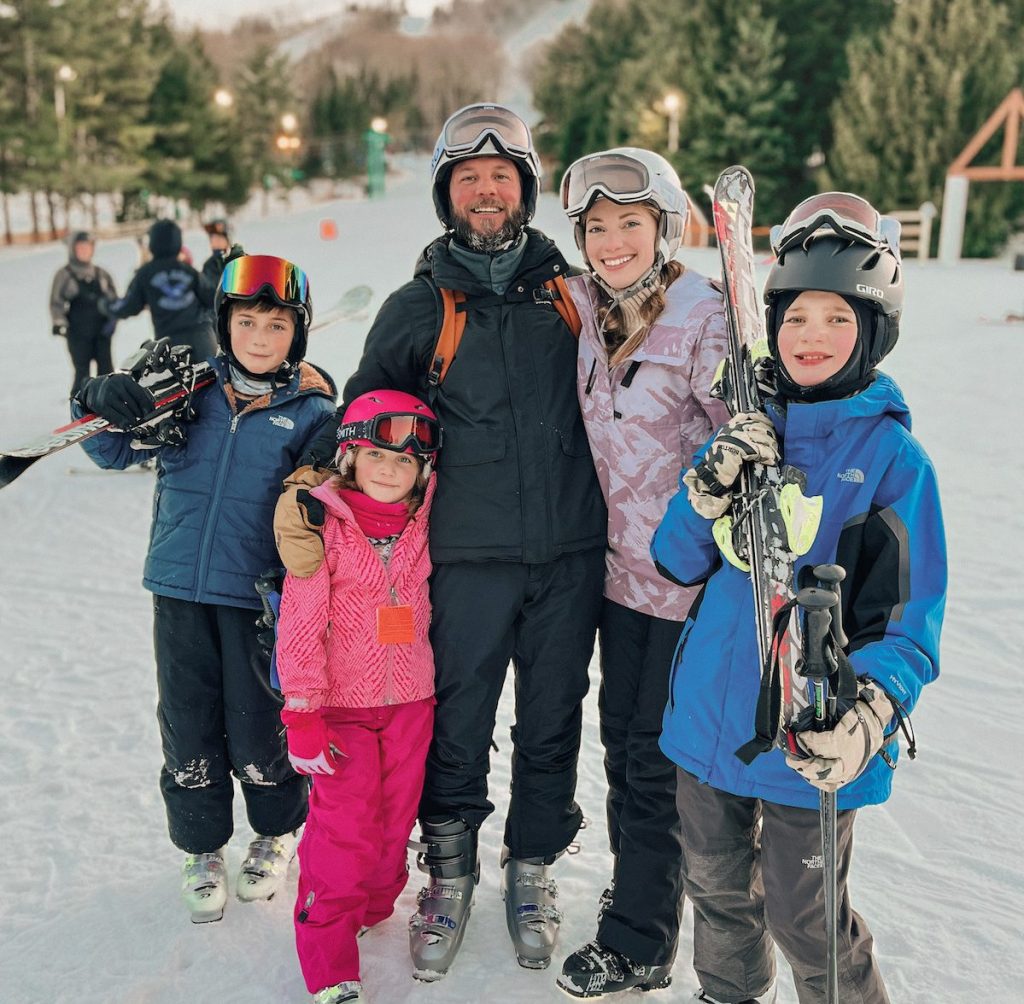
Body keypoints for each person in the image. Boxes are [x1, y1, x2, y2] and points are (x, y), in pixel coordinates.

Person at [274, 103, 607, 978]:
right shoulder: (418, 306)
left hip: (572, 550)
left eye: (502, 177)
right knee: (457, 721)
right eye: (470, 179)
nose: (487, 191)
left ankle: (531, 865)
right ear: (447, 195)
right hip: (461, 559)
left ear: (525, 190)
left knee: (551, 721)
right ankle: (450, 870)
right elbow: (363, 411)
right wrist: (308, 484)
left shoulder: (573, 294)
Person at [651, 193, 946, 1004]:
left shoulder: (893, 460)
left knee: (806, 918)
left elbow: (910, 623)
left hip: (812, 732)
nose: (811, 338)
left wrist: (870, 715)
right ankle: (730, 994)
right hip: (709, 722)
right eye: (797, 319)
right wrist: (707, 487)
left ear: (873, 332)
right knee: (715, 893)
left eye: (837, 321)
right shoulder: (742, 432)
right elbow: (673, 562)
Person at [70, 253, 338, 923]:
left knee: (257, 732)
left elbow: (326, 506)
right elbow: (108, 450)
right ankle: (200, 847)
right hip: (179, 590)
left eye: (276, 327)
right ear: (223, 325)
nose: (258, 339)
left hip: (257, 601)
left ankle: (275, 832)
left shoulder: (308, 412)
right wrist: (102, 397)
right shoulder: (185, 390)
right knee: (187, 725)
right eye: (246, 322)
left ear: (296, 336)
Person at [552, 149, 730, 998]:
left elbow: (743, 441)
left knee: (657, 763)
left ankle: (641, 940)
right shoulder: (587, 308)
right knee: (622, 750)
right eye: (596, 226)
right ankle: (642, 896)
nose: (612, 240)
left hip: (688, 587)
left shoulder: (705, 315)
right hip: (618, 581)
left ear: (665, 228)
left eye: (630, 222)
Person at [275, 390, 441, 1004]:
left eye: (405, 462)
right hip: (340, 706)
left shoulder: (423, 521)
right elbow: (299, 626)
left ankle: (372, 905)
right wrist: (302, 711)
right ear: (348, 457)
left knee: (395, 818)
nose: (390, 470)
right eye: (375, 455)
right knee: (344, 831)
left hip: (410, 703)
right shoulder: (323, 527)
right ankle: (329, 958)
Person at [103, 218, 220, 359]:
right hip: (202, 339)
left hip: (171, 345)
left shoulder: (145, 274)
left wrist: (106, 305)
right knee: (210, 379)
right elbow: (212, 298)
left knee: (180, 381)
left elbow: (128, 306)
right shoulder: (189, 271)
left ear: (153, 243)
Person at [49, 230, 119, 396]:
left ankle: (109, 404)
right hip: (78, 334)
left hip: (102, 332)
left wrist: (112, 321)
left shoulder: (101, 274)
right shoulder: (65, 275)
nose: (84, 251)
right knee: (82, 373)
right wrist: (60, 324)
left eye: (88, 247)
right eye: (80, 248)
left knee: (106, 373)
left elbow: (114, 301)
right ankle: (79, 408)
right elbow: (56, 303)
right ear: (72, 249)